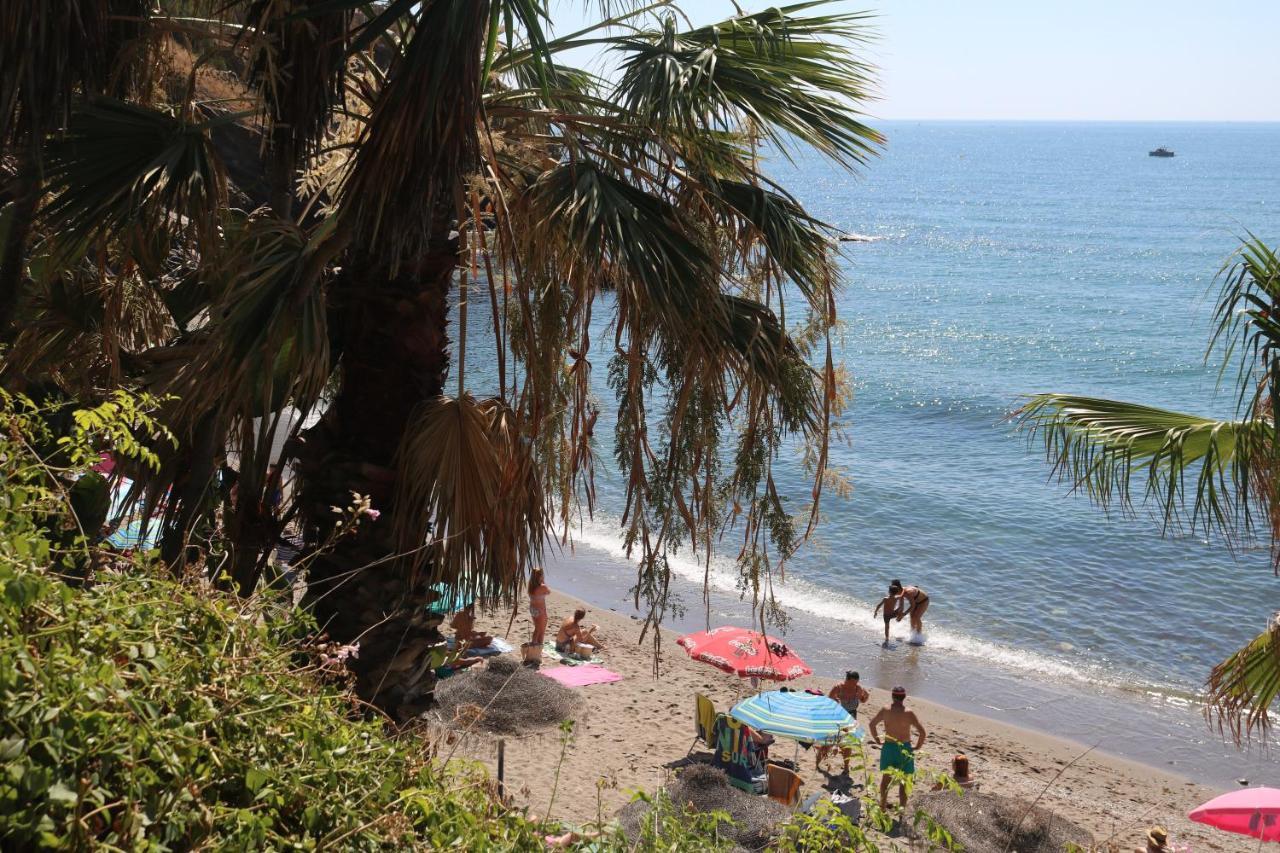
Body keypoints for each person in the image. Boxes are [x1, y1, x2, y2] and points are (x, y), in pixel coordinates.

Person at [867, 685, 927, 811]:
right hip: (904, 748)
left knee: (886, 780)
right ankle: (902, 809)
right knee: (903, 781)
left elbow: (872, 724)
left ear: (892, 696)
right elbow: (922, 732)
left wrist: (877, 739)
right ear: (904, 697)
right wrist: (917, 746)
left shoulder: (885, 710)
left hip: (889, 747)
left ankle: (882, 807)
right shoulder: (909, 713)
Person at [817, 671, 871, 773]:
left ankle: (846, 766)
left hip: (851, 720)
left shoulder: (857, 688)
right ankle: (817, 763)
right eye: (854, 682)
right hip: (837, 719)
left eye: (857, 682)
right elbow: (829, 702)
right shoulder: (838, 687)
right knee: (829, 742)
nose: (856, 684)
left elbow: (862, 700)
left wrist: (867, 696)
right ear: (847, 680)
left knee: (848, 744)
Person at [528, 567, 550, 645]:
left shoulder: (530, 585)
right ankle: (538, 647)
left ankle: (534, 644)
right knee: (541, 630)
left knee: (537, 629)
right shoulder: (542, 586)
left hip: (532, 609)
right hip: (540, 611)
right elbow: (548, 592)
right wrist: (543, 581)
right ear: (541, 576)